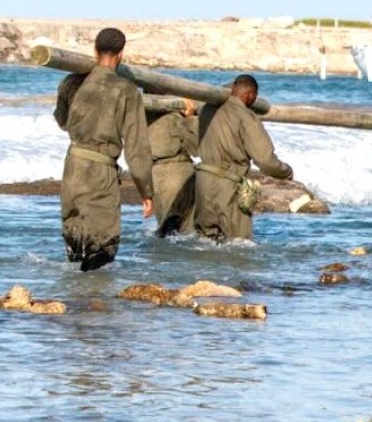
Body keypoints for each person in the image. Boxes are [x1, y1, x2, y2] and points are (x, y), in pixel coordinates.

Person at [53, 27, 153, 270]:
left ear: (95, 50)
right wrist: (146, 191)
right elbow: (136, 146)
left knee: (74, 246)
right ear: (121, 54)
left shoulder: (71, 82)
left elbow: (62, 121)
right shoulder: (126, 90)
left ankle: (73, 302)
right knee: (101, 249)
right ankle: (99, 305)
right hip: (100, 173)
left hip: (73, 168)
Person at [194, 75, 293, 242]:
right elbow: (265, 160)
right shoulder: (246, 117)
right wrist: (286, 172)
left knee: (205, 242)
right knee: (239, 245)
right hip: (228, 186)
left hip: (202, 183)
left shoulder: (207, 110)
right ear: (251, 95)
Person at [147, 101, 199, 237]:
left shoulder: (143, 118)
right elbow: (196, 148)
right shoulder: (174, 118)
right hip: (178, 175)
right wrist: (190, 118)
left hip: (155, 177)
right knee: (185, 230)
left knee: (165, 229)